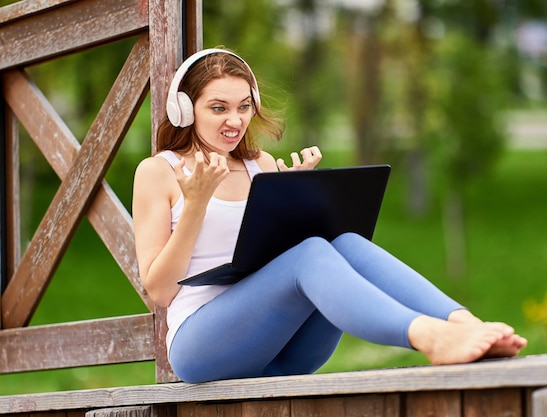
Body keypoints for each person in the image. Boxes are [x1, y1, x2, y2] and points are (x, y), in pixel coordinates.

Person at [132, 47, 527, 384]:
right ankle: (429, 337)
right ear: (184, 110)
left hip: (284, 353)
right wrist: (195, 205)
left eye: (243, 106)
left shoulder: (260, 165)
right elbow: (160, 291)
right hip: (202, 347)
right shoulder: (159, 172)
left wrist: (297, 205)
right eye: (218, 108)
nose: (234, 121)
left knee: (345, 243)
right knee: (309, 254)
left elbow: (275, 267)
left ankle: (463, 323)